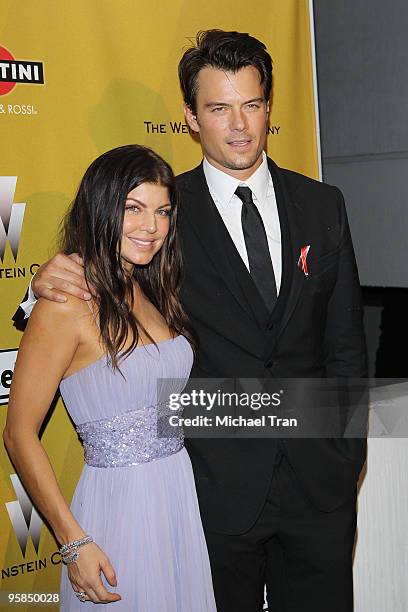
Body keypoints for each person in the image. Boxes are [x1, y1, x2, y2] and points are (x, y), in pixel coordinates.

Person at [15, 30, 367, 612]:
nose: (238, 125)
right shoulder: (164, 210)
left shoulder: (323, 205)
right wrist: (35, 290)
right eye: (218, 107)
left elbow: (346, 345)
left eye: (251, 105)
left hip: (318, 487)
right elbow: (100, 281)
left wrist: (344, 456)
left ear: (268, 108)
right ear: (190, 117)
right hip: (210, 490)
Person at [4, 145, 217, 610]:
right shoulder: (64, 304)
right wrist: (74, 542)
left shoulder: (152, 287)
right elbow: (19, 434)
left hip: (177, 497)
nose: (151, 227)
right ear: (101, 208)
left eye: (162, 211)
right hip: (119, 509)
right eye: (133, 208)